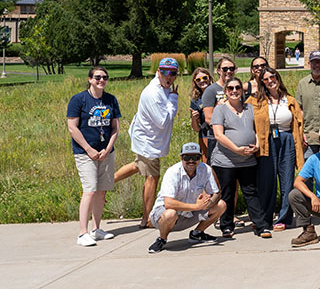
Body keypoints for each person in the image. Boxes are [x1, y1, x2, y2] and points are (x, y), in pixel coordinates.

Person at [114, 58, 180, 229]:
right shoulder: (153, 93)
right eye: (165, 72)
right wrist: (174, 100)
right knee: (152, 176)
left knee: (138, 165)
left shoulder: (166, 87)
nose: (169, 76)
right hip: (147, 141)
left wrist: (171, 96)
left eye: (172, 73)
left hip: (151, 139)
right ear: (158, 71)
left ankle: (106, 182)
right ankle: (148, 219)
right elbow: (163, 122)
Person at [246, 67, 305, 232]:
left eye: (273, 77)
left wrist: (302, 137)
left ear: (278, 78)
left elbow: (299, 122)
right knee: (266, 181)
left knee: (287, 180)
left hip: (287, 139)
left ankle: (284, 218)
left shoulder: (290, 100)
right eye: (266, 79)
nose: (270, 80)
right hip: (266, 141)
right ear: (262, 82)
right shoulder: (255, 100)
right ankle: (264, 217)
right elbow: (241, 112)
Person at [67, 66, 121, 246]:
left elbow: (115, 128)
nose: (101, 80)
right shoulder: (79, 100)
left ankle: (96, 229)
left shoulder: (110, 100)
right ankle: (82, 233)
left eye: (105, 77)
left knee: (101, 191)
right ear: (90, 79)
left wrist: (108, 149)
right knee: (89, 190)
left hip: (105, 153)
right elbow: (72, 127)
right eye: (97, 77)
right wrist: (89, 149)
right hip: (85, 153)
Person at [211, 78, 268, 238]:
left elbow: (256, 130)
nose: (234, 90)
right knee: (228, 193)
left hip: (248, 159)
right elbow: (218, 134)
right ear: (226, 91)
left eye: (237, 87)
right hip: (226, 160)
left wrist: (257, 145)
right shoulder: (220, 109)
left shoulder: (249, 108)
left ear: (242, 90)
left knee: (251, 192)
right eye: (230, 88)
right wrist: (236, 149)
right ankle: (227, 226)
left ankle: (261, 225)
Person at [146, 143, 226, 253]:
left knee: (221, 205)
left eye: (195, 157)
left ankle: (197, 234)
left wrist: (209, 203)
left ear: (200, 157)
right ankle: (162, 239)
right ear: (181, 158)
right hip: (164, 215)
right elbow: (168, 203)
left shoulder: (206, 169)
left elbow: (216, 193)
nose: (191, 161)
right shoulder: (173, 172)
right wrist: (197, 206)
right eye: (187, 157)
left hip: (189, 214)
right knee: (170, 214)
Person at [200, 57, 238, 163]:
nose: (229, 71)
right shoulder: (211, 90)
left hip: (236, 137)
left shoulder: (237, 88)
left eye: (231, 68)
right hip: (217, 138)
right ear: (218, 70)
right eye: (225, 69)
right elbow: (208, 118)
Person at [188, 67, 213, 162]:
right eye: (198, 79)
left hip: (222, 135)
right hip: (205, 136)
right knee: (208, 165)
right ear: (195, 82)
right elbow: (196, 128)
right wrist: (194, 118)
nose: (202, 81)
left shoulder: (219, 93)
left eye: (204, 78)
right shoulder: (195, 101)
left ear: (209, 78)